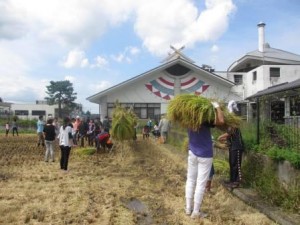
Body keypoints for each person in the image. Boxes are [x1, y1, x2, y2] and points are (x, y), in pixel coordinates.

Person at [185, 101, 224, 219]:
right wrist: (217, 107)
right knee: (201, 183)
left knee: (190, 180)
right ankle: (196, 212)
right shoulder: (205, 121)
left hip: (192, 153)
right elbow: (221, 121)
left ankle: (188, 209)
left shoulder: (187, 120)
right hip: (205, 155)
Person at [218, 101, 244, 188]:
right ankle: (232, 180)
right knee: (232, 164)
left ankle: (237, 182)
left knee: (236, 164)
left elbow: (230, 132)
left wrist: (220, 137)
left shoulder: (234, 121)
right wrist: (224, 139)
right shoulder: (231, 122)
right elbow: (229, 135)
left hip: (237, 146)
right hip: (232, 146)